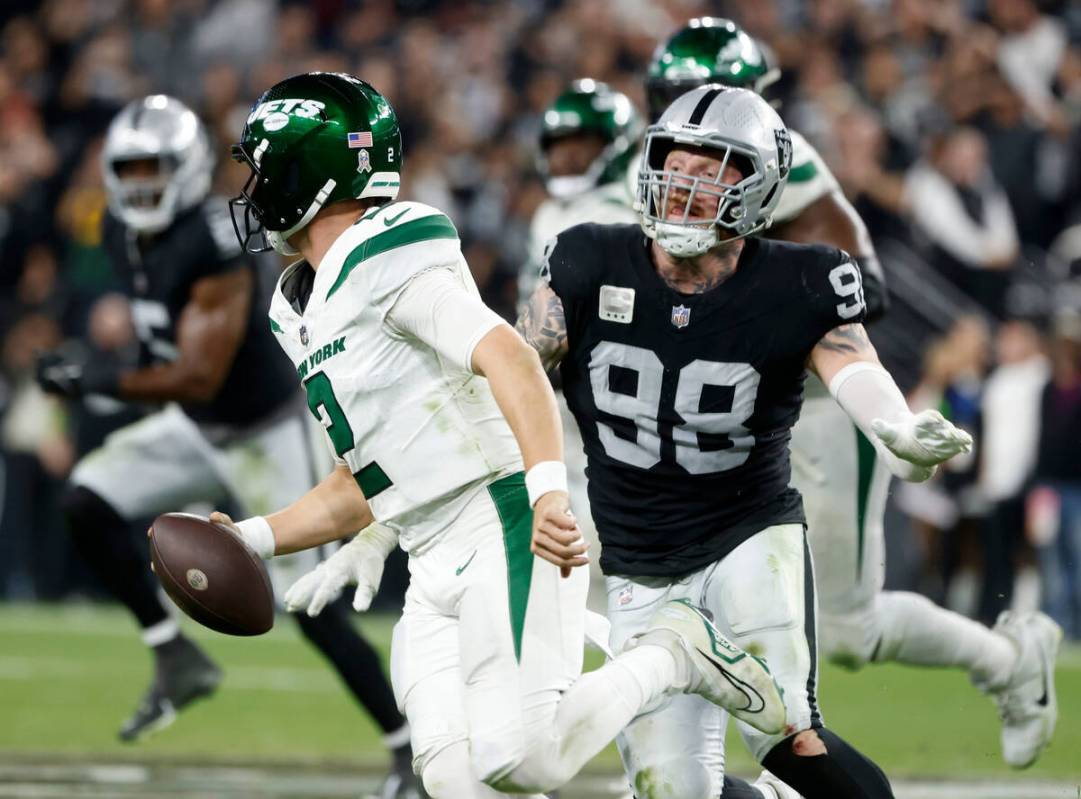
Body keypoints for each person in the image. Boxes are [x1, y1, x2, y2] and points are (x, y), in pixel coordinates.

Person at [214, 71, 785, 799]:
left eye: (264, 170)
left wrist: (547, 491)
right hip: (429, 555)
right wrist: (254, 540)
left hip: (501, 521)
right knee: (459, 783)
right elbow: (361, 477)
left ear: (310, 174)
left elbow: (511, 357)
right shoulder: (295, 305)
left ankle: (677, 648)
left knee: (526, 759)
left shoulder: (385, 250)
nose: (253, 189)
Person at [512, 86, 975, 799]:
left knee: (789, 734)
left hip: (744, 536)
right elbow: (515, 369)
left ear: (758, 185)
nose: (684, 182)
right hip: (637, 561)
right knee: (673, 793)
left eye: (712, 167)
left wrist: (898, 428)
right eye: (674, 161)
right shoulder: (585, 258)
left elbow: (853, 366)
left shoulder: (801, 277)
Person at [640, 17, 1062, 781]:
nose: (697, 127)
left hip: (817, 407)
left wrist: (763, 293)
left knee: (847, 627)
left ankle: (1008, 658)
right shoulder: (651, 172)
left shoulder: (782, 161)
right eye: (676, 102)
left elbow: (861, 280)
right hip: (725, 410)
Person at [34, 95, 422, 798]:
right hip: (195, 422)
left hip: (261, 428)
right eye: (131, 170)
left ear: (186, 168)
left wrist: (94, 375)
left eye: (155, 168)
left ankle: (409, 752)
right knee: (86, 499)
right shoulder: (121, 228)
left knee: (310, 605)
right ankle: (173, 656)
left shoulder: (213, 238)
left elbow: (200, 370)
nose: (142, 184)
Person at [525, 79, 642, 599]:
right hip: (557, 392)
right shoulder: (548, 214)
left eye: (583, 144)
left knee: (603, 548)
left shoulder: (631, 210)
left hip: (615, 395)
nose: (568, 157)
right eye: (559, 145)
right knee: (569, 544)